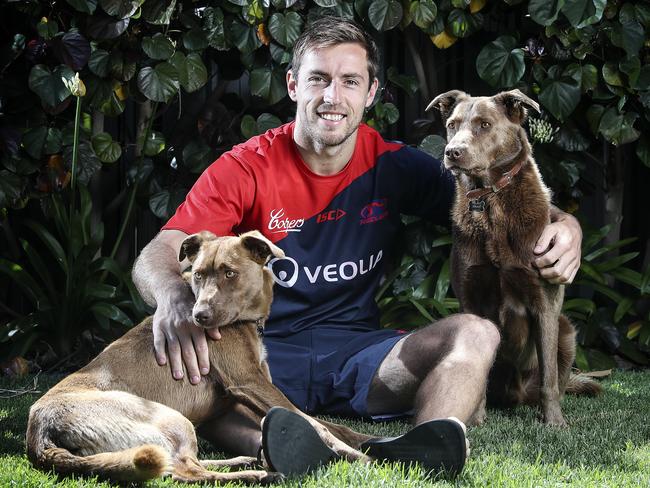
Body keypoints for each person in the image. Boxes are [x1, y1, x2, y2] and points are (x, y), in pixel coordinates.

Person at [132, 16, 582, 474]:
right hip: (260, 351)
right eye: (318, 79)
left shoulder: (393, 165)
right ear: (293, 85)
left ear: (370, 94)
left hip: (360, 356)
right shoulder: (246, 167)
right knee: (197, 367)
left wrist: (568, 227)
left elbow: (495, 202)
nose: (332, 97)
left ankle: (422, 446)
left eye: (349, 81)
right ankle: (282, 447)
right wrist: (172, 296)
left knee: (477, 332)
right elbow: (160, 250)